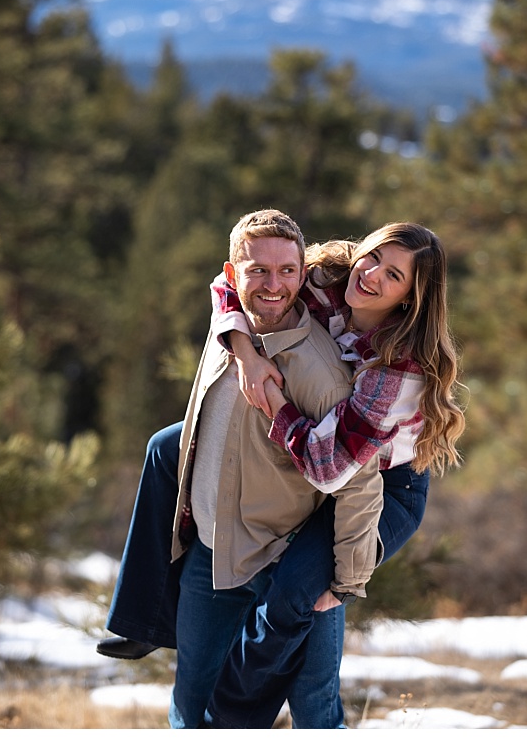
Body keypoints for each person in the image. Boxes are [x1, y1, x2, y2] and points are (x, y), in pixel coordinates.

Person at [97, 221, 464, 727]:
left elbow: (334, 468)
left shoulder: (396, 368)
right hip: (322, 456)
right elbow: (233, 284)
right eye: (374, 255)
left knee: (300, 599)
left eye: (394, 274)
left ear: (410, 298)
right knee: (166, 447)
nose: (373, 273)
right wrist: (246, 354)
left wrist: (273, 401)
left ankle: (232, 716)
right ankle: (140, 619)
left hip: (382, 482)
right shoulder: (325, 277)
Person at [157, 210, 386, 728]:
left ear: (303, 275)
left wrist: (343, 583)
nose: (273, 284)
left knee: (316, 715)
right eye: (257, 270)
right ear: (231, 273)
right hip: (211, 561)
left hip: (283, 565)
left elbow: (361, 485)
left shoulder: (320, 372)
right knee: (191, 708)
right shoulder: (226, 340)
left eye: (287, 271)